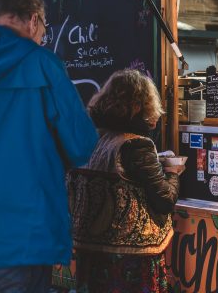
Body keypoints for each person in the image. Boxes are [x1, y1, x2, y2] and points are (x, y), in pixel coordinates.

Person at [0, 0, 98, 292]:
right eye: (44, 28)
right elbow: (81, 144)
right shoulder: (42, 64)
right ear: (33, 20)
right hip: (23, 237)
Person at [67, 69, 184, 293]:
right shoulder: (137, 145)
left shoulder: (94, 138)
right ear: (143, 105)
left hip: (90, 251)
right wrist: (173, 172)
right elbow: (165, 200)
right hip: (129, 256)